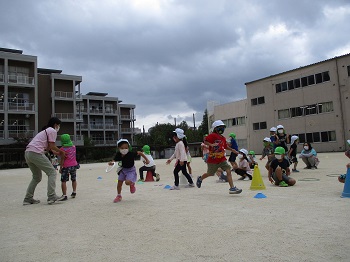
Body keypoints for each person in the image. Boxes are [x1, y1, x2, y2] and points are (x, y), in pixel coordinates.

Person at [23, 117, 66, 205]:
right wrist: (61, 152)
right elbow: (52, 145)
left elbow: (48, 148)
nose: (58, 127)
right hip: (36, 153)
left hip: (28, 153)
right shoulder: (52, 130)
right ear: (55, 125)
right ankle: (51, 197)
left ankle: (28, 198)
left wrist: (57, 152)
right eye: (58, 125)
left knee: (36, 177)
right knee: (52, 172)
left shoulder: (45, 131)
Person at [196, 120, 242, 194]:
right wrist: (211, 145)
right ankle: (200, 178)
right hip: (213, 159)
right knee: (210, 173)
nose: (221, 129)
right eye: (219, 128)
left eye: (223, 128)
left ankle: (232, 188)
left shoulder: (223, 138)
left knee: (228, 170)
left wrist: (233, 150)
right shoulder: (212, 135)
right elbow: (205, 141)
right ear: (215, 128)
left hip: (221, 159)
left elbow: (225, 146)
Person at [58, 134, 79, 201]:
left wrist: (61, 167)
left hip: (66, 166)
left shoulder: (62, 149)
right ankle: (74, 192)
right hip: (74, 165)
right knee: (74, 179)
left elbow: (62, 159)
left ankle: (64, 195)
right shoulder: (73, 147)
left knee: (63, 181)